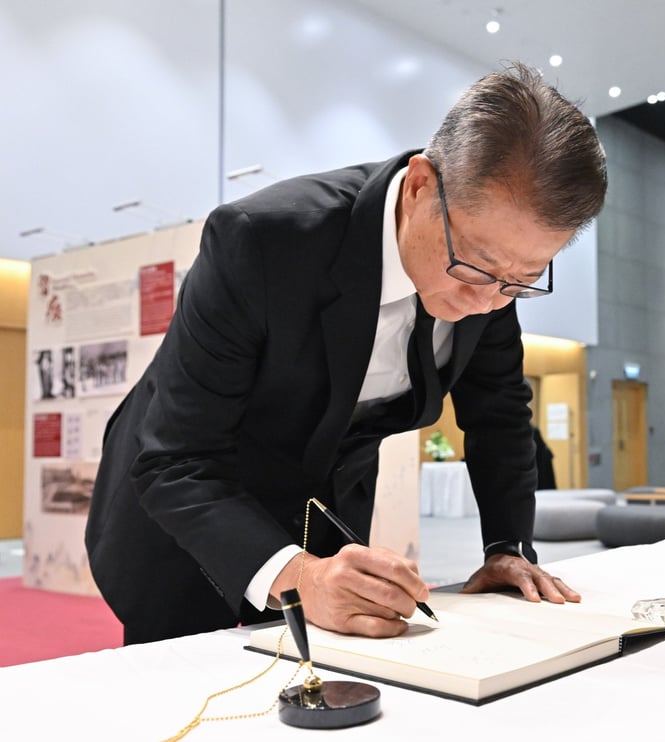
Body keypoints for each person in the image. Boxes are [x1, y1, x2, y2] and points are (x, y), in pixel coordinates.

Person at [85, 62, 607, 644]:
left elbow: (500, 414)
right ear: (418, 186)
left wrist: (507, 546)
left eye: (524, 278)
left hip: (324, 515)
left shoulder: (493, 274)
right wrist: (294, 575)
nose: (488, 299)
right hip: (188, 518)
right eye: (476, 265)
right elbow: (176, 458)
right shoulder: (262, 241)